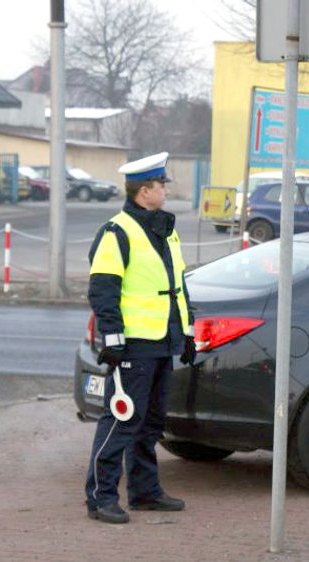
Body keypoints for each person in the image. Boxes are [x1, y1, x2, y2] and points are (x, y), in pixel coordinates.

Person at [84, 152, 196, 524]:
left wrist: (188, 333)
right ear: (144, 191)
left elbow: (177, 287)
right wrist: (112, 338)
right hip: (133, 343)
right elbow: (103, 289)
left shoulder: (165, 229)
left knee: (150, 422)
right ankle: (100, 497)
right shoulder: (117, 232)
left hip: (162, 341)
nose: (165, 189)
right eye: (161, 185)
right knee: (121, 420)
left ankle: (145, 493)